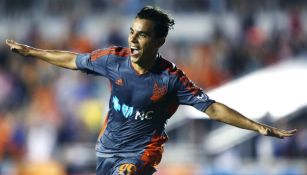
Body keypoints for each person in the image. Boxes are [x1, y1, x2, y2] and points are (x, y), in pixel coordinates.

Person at [6, 6, 296, 175]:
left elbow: (213, 108)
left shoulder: (171, 79)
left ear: (158, 41)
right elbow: (72, 59)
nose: (132, 38)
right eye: (132, 31)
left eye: (142, 34)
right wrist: (32, 52)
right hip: (106, 150)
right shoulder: (113, 60)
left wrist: (257, 127)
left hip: (141, 156)